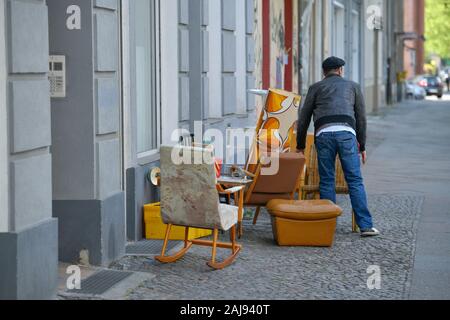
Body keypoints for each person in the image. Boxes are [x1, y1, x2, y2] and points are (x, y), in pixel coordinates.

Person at [296, 56, 379, 237]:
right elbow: (361, 118)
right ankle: (365, 226)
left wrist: (300, 144)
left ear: (324, 72)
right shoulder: (353, 87)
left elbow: (303, 119)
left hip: (323, 135)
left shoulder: (315, 88)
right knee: (355, 180)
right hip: (346, 134)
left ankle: (328, 225)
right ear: (340, 70)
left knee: (326, 180)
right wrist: (362, 145)